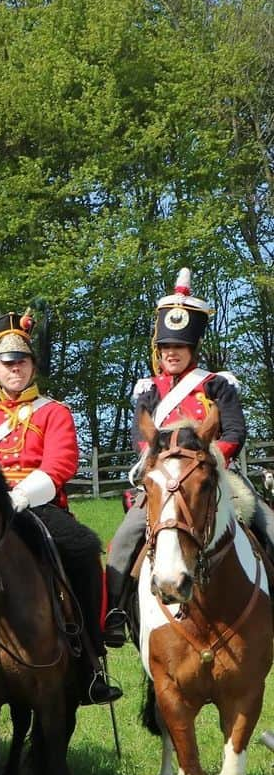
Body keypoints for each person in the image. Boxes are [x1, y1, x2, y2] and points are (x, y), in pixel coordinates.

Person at [0, 306, 122, 705]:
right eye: (7, 363)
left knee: (84, 550)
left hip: (36, 504)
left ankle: (91, 660)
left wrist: (20, 496)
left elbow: (60, 464)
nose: (15, 368)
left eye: (22, 361)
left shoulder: (54, 412)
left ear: (32, 366)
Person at [103, 267, 270, 645]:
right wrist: (159, 464)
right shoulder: (148, 390)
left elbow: (234, 433)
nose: (170, 355)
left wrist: (208, 461)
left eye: (178, 348)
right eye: (165, 349)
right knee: (125, 538)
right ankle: (113, 612)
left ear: (191, 349)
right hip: (164, 478)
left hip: (214, 475)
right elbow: (140, 437)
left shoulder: (216, 385)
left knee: (268, 526)